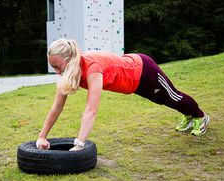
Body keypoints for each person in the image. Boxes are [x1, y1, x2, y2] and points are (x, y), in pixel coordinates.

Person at [36, 39, 209, 151]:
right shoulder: (68, 73)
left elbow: (91, 109)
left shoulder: (92, 68)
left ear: (70, 59)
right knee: (163, 100)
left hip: (143, 71)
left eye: (58, 67)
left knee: (172, 96)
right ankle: (188, 114)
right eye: (54, 68)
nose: (57, 72)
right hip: (133, 83)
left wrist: (79, 144)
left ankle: (200, 116)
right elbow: (57, 107)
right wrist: (42, 136)